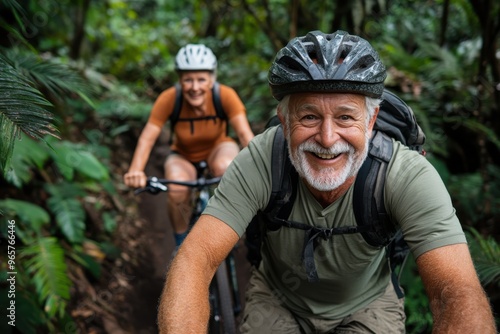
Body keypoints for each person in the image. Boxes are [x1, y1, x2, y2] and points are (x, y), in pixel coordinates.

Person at [157, 31, 496, 333]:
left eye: (346, 116)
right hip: (277, 299)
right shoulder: (263, 160)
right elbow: (195, 258)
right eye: (309, 116)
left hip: (368, 304)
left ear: (372, 120)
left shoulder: (403, 174)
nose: (328, 138)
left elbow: (457, 290)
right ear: (285, 121)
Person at [124, 44, 254, 247]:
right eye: (188, 80)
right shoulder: (169, 98)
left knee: (226, 167)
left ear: (212, 79)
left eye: (201, 79)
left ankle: (231, 226)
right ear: (180, 80)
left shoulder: (226, 95)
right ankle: (180, 242)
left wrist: (259, 165)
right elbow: (148, 137)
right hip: (182, 155)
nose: (195, 87)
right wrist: (136, 170)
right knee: (176, 187)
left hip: (218, 148)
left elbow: (244, 134)